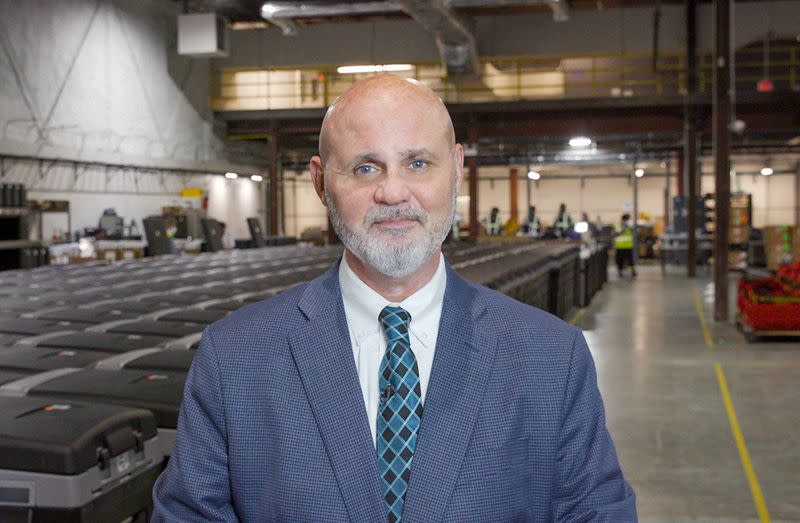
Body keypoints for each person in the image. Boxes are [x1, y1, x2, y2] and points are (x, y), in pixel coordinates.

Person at [151, 75, 636, 522]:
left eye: (418, 163)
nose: (394, 191)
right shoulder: (235, 357)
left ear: (458, 170)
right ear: (320, 182)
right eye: (366, 167)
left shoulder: (551, 356)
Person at [615, 213, 637, 278]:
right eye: (627, 219)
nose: (628, 221)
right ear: (623, 219)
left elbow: (634, 233)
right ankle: (620, 271)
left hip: (628, 246)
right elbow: (616, 234)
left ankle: (633, 271)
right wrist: (623, 229)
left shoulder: (630, 226)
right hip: (620, 246)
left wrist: (630, 228)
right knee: (620, 260)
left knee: (630, 260)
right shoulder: (618, 225)